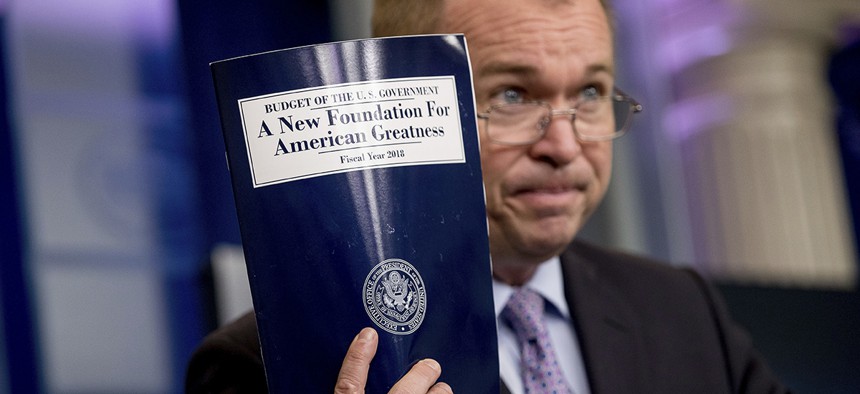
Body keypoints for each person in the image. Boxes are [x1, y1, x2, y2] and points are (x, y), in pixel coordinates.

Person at [186, 0, 790, 393]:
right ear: (400, 100)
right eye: (511, 96)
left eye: (589, 91)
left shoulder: (682, 309)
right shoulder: (253, 368)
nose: (564, 144)